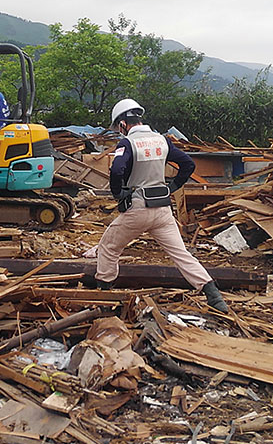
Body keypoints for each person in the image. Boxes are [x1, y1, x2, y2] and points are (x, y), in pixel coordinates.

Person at [90, 98, 229, 313]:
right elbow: (188, 164)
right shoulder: (162, 140)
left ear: (122, 124)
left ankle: (104, 295)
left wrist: (119, 194)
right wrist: (173, 186)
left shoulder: (127, 143)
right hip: (163, 211)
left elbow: (117, 170)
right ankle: (215, 297)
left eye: (119, 128)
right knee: (181, 254)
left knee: (108, 248)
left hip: (137, 209)